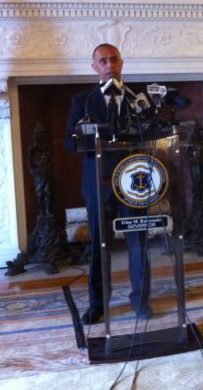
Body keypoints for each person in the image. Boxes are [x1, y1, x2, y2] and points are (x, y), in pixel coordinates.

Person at [65, 43, 152, 325]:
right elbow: (70, 142)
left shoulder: (138, 99)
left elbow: (152, 134)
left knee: (137, 243)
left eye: (113, 60)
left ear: (121, 63)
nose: (109, 65)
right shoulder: (83, 100)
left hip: (133, 183)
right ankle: (98, 304)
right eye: (102, 61)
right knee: (99, 246)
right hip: (97, 184)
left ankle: (141, 301)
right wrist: (93, 139)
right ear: (94, 67)